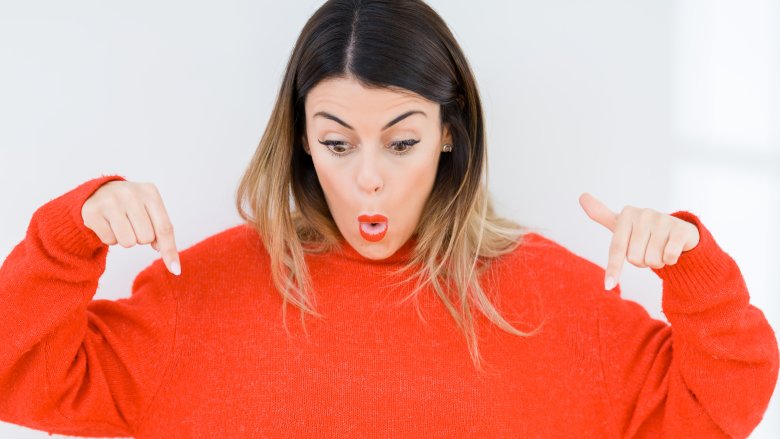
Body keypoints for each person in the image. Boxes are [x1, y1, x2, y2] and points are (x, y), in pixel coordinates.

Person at [0, 0, 777, 437]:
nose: (367, 178)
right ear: (301, 141)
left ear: (449, 132)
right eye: (336, 141)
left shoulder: (555, 302)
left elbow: (720, 408)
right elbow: (15, 371)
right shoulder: (197, 298)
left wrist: (693, 270)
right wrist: (75, 233)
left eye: (401, 140)